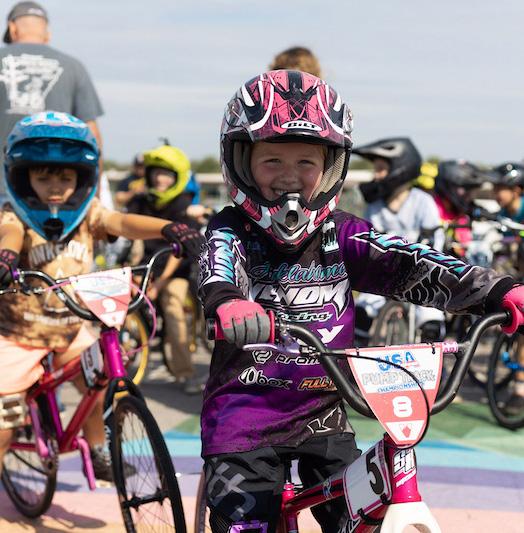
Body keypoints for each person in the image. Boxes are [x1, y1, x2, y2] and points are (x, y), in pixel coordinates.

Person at [197, 69, 524, 533]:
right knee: (247, 522)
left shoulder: (342, 233)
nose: (289, 176)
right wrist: (230, 303)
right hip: (243, 418)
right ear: (242, 165)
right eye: (271, 161)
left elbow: (411, 262)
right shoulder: (231, 228)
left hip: (323, 418)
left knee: (363, 517)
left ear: (331, 168)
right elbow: (219, 268)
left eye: (306, 162)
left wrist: (496, 290)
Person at [0, 111, 203, 481]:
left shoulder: (88, 213)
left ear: (82, 178)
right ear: (22, 176)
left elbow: (121, 222)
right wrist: (7, 256)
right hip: (20, 332)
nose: (55, 188)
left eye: (65, 178)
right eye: (43, 178)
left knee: (97, 383)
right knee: (3, 422)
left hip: (69, 327)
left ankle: (98, 451)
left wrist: (170, 228)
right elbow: (9, 234)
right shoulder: (15, 214)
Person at [0, 2, 103, 204]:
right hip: (56, 194)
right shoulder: (73, 67)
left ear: (12, 28)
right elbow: (92, 135)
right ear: (47, 33)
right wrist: (94, 194)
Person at [126, 144, 206, 394]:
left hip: (174, 272)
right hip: (144, 269)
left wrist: (159, 284)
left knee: (173, 305)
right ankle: (118, 366)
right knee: (119, 305)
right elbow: (130, 237)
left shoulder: (184, 203)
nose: (161, 179)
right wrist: (134, 274)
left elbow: (179, 253)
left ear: (177, 177)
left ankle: (185, 373)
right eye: (156, 173)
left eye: (167, 174)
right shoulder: (140, 201)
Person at [353, 137, 446, 344]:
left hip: (420, 272)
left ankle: (433, 357)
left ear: (400, 169)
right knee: (362, 313)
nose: (376, 175)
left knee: (431, 319)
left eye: (380, 169)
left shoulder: (422, 201)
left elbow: (434, 239)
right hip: (384, 273)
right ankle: (355, 356)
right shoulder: (375, 206)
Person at [490, 162, 524, 413]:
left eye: (500, 188)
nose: (495, 193)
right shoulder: (504, 213)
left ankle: (520, 388)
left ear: (517, 190)